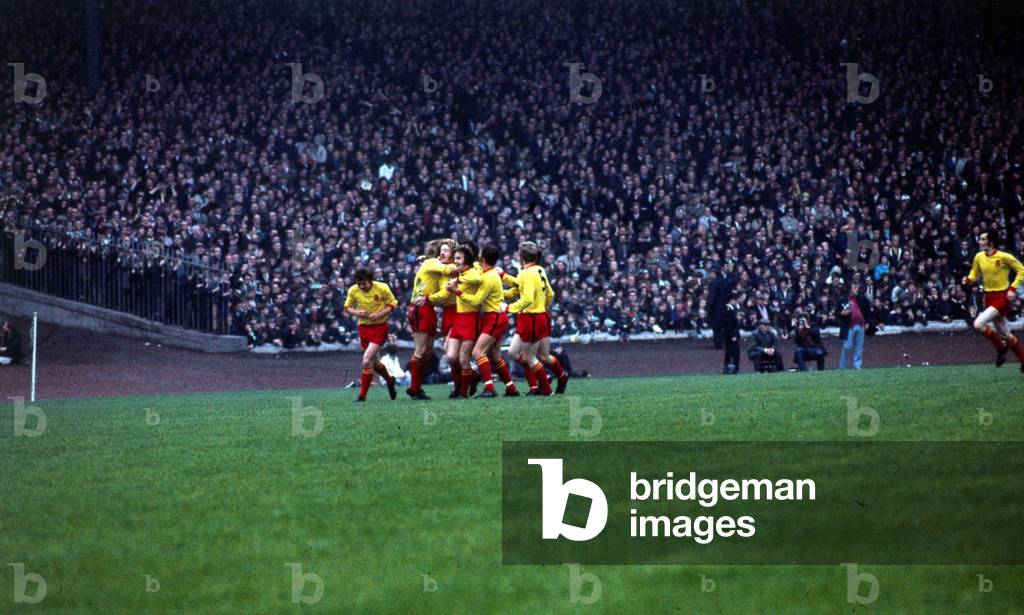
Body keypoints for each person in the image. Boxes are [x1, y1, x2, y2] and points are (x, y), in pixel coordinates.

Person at [448, 244, 518, 398]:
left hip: (494, 317)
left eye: (480, 254)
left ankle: (490, 388)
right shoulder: (490, 272)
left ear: (484, 258)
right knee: (494, 355)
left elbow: (476, 300)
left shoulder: (488, 277)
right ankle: (511, 388)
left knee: (477, 352)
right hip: (494, 317)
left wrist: (457, 291)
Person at [962, 229, 1024, 371]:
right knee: (1004, 333)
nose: (980, 241)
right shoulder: (979, 256)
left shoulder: (1004, 257)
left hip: (1002, 297)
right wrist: (968, 279)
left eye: (983, 239)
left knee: (978, 324)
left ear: (991, 241)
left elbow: (1021, 269)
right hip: (988, 297)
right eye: (980, 239)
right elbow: (975, 272)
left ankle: (1001, 348)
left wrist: (1012, 289)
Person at [501, 241, 555, 395]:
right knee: (512, 352)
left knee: (529, 357)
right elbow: (550, 294)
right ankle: (544, 377)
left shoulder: (526, 273)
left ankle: (546, 387)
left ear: (521, 256)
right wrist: (503, 276)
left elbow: (527, 299)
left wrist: (508, 308)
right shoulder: (539, 270)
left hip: (531, 317)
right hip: (535, 315)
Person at [406, 238, 456, 399]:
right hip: (421, 308)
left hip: (428, 308)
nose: (442, 253)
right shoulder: (431, 263)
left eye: (445, 250)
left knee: (427, 351)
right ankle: (414, 388)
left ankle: (417, 386)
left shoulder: (430, 264)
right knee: (421, 350)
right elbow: (451, 271)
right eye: (440, 250)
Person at [344, 268, 398, 402]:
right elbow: (347, 307)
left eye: (364, 284)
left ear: (370, 281)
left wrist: (379, 314)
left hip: (379, 327)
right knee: (375, 363)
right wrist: (357, 313)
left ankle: (362, 396)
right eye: (359, 284)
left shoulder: (382, 288)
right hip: (363, 328)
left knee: (366, 359)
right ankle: (390, 381)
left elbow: (393, 304)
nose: (362, 287)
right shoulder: (353, 290)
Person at [837, 281, 873, 369]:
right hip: (849, 326)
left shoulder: (862, 299)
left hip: (860, 325)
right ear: (850, 289)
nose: (856, 289)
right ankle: (843, 367)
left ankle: (857, 366)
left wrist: (867, 322)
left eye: (857, 287)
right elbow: (837, 313)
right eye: (854, 287)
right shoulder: (842, 300)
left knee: (859, 348)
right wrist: (842, 313)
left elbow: (868, 312)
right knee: (846, 347)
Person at [721, 292, 740, 374]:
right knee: (732, 351)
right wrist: (734, 334)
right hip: (730, 334)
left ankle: (730, 367)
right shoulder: (728, 310)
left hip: (730, 334)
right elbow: (730, 325)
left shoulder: (729, 310)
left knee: (731, 351)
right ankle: (731, 367)